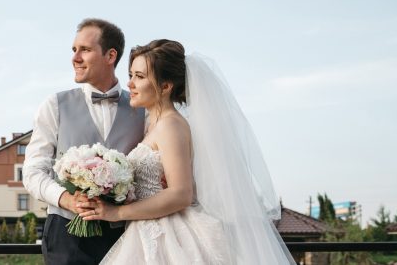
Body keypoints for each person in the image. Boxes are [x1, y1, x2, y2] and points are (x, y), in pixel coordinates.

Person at [79, 39, 296, 264]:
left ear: (165, 86)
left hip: (169, 236)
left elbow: (182, 193)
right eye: (132, 75)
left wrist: (117, 213)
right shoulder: (151, 124)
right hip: (145, 229)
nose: (130, 83)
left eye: (140, 76)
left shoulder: (171, 125)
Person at [22, 18, 146, 264]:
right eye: (74, 50)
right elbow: (33, 171)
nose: (75, 58)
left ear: (110, 55)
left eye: (85, 50)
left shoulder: (144, 109)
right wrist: (67, 199)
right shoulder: (54, 105)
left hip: (127, 235)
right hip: (66, 236)